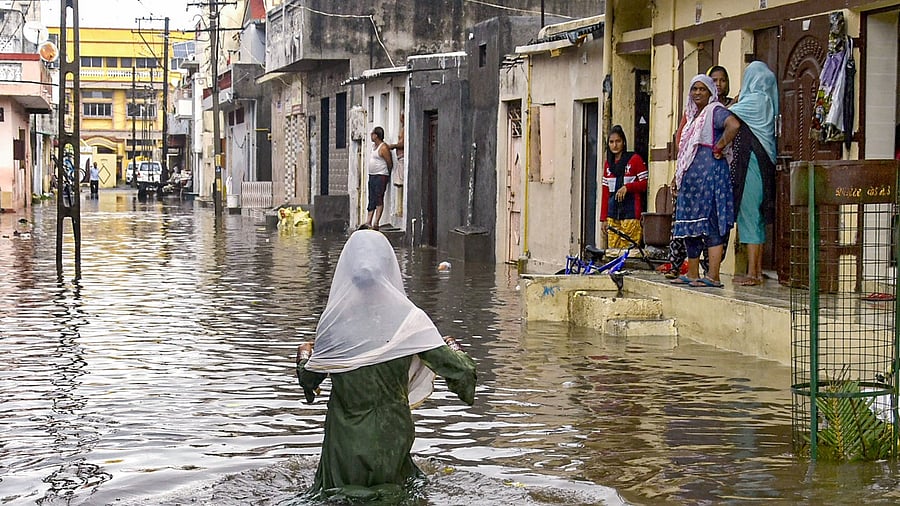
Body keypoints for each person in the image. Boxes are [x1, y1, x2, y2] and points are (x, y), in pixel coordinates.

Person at [296, 230, 477, 502]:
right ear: (390, 268)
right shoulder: (410, 323)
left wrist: (303, 353)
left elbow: (308, 379)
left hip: (344, 445)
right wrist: (452, 345)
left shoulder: (334, 325)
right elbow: (463, 371)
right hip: (391, 438)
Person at [670, 74, 740, 288]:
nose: (698, 93)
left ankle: (713, 276)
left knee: (711, 224)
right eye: (694, 89)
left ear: (711, 92)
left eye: (702, 89)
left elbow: (733, 125)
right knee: (690, 226)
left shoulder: (714, 111)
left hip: (710, 178)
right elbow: (685, 152)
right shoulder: (693, 118)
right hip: (691, 182)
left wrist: (719, 146)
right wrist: (677, 176)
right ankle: (692, 274)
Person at [729, 61, 779, 286]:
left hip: (752, 165)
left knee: (748, 215)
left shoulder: (754, 101)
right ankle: (756, 271)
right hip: (763, 164)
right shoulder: (768, 101)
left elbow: (724, 114)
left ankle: (752, 273)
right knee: (756, 219)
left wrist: (735, 99)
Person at [599, 125, 648, 249]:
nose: (615, 145)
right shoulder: (608, 164)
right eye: (611, 142)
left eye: (618, 141)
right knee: (614, 252)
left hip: (631, 215)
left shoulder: (635, 160)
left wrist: (628, 187)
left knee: (630, 252)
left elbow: (645, 184)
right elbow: (605, 193)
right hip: (612, 215)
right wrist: (603, 218)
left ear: (624, 142)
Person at [363, 126, 393, 230]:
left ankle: (376, 222)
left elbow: (389, 162)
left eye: (372, 134)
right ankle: (368, 221)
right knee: (371, 198)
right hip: (372, 175)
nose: (371, 135)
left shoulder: (383, 148)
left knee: (379, 197)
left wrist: (387, 174)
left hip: (381, 175)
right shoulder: (373, 147)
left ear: (376, 135)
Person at [389, 113, 405, 187]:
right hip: (400, 158)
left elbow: (403, 144)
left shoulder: (405, 129)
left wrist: (394, 146)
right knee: (398, 182)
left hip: (402, 157)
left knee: (400, 182)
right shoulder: (403, 128)